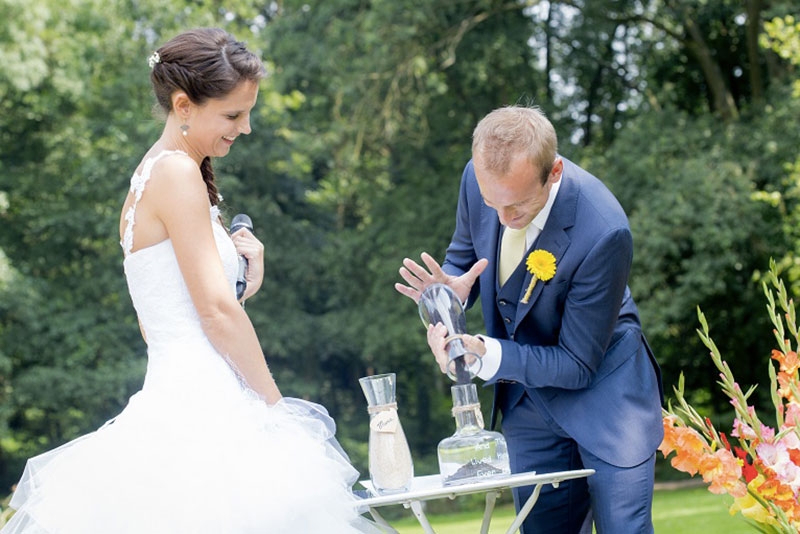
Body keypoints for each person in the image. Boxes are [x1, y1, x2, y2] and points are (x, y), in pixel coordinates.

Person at [1, 28, 378, 534]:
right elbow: (216, 313)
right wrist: (275, 410)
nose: (245, 129)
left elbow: (158, 317)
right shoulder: (177, 174)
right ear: (183, 104)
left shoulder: (152, 177)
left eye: (248, 113)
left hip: (179, 391)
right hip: (204, 411)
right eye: (232, 115)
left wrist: (245, 279)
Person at [395, 105, 663, 533]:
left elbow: (577, 364)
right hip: (529, 403)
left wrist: (488, 353)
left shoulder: (604, 231)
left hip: (607, 400)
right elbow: (462, 261)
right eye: (491, 203)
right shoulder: (477, 178)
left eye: (516, 207)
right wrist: (448, 305)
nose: (503, 219)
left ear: (553, 172)